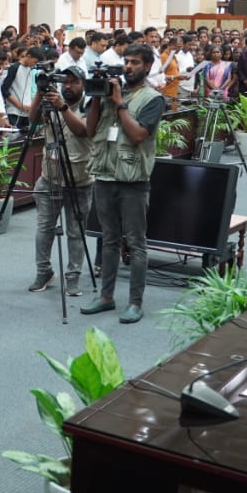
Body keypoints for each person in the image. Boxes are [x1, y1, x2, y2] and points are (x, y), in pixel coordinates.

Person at [81, 44, 164, 325]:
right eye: (126, 61)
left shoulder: (153, 99)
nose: (128, 67)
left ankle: (135, 303)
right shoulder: (109, 93)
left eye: (135, 63)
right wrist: (96, 97)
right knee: (108, 240)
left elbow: (138, 134)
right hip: (104, 175)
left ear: (148, 66)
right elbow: (90, 131)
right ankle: (106, 298)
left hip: (133, 180)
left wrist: (119, 103)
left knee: (136, 244)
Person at [27, 68, 93, 296]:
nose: (68, 86)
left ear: (83, 84)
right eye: (65, 82)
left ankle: (73, 278)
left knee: (76, 232)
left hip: (79, 180)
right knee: (44, 228)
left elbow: (83, 130)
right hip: (50, 177)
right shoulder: (53, 100)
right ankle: (43, 271)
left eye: (74, 82)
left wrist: (62, 107)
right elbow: (33, 118)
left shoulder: (90, 105)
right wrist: (40, 92)